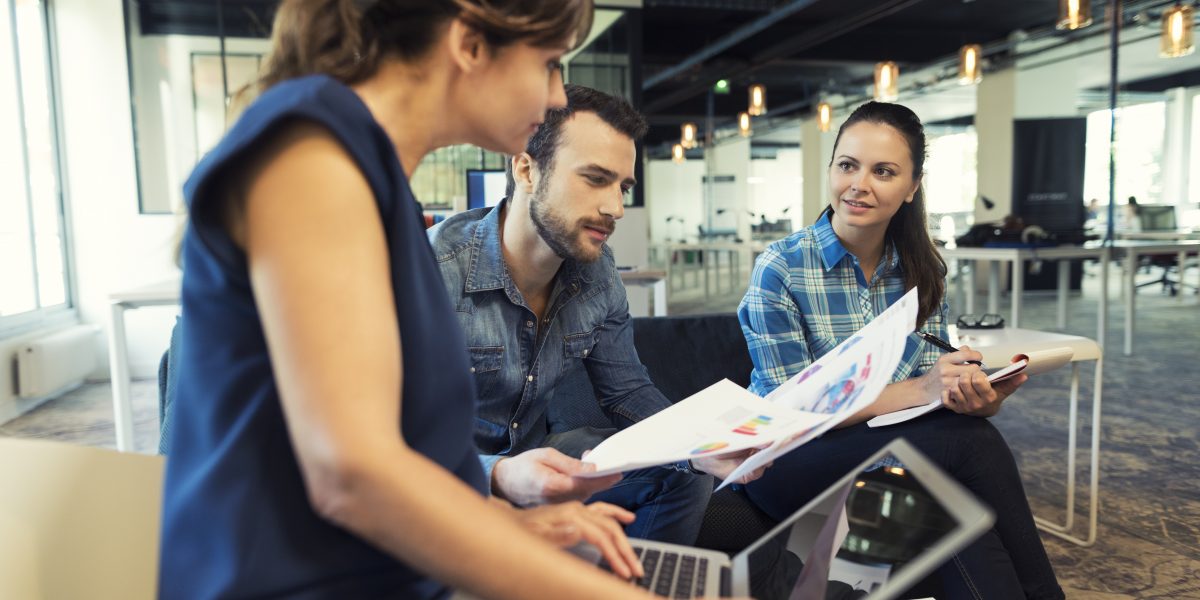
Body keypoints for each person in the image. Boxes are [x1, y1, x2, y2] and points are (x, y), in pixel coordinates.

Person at [158, 1, 662, 598]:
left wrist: (510, 524)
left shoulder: (372, 179)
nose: (557, 96)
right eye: (550, 63)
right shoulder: (314, 156)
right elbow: (353, 477)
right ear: (470, 44)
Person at [738, 101, 1064, 599]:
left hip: (891, 449)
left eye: (883, 171)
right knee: (967, 447)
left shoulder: (921, 270)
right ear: (832, 169)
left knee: (956, 506)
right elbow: (796, 408)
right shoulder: (781, 268)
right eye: (847, 165)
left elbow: (931, 393)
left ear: (912, 187)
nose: (859, 184)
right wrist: (921, 389)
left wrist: (971, 395)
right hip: (786, 459)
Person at [427, 84, 764, 545]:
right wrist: (499, 475)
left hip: (537, 460)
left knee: (682, 471)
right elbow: (383, 443)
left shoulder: (597, 273)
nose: (616, 208)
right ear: (527, 169)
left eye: (622, 186)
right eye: (594, 178)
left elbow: (626, 391)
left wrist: (700, 446)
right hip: (441, 482)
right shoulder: (432, 270)